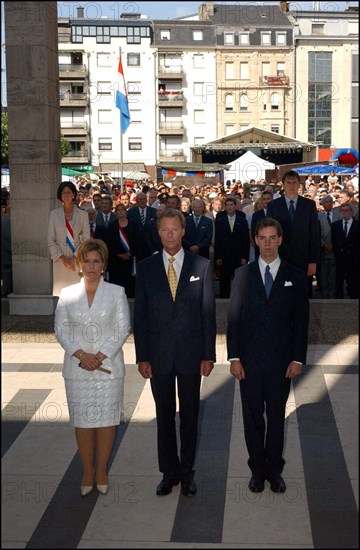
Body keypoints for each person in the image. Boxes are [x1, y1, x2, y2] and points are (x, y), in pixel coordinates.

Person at [134, 208, 216, 497]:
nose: (169, 235)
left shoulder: (201, 266)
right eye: (164, 230)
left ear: (183, 231)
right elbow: (140, 317)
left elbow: (208, 314)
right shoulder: (145, 268)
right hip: (158, 356)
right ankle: (168, 472)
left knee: (190, 415)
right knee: (164, 415)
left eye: (174, 229)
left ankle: (187, 472)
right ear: (158, 233)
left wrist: (209, 354)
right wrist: (142, 356)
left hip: (192, 355)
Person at [227, 218, 309, 494]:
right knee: (252, 419)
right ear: (255, 240)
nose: (268, 244)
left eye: (273, 238)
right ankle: (257, 470)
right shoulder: (242, 276)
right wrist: (234, 357)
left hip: (281, 363)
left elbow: (301, 322)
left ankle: (275, 470)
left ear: (281, 240)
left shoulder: (295, 277)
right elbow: (234, 320)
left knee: (275, 418)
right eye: (262, 238)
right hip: (248, 363)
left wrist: (297, 359)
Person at [54, 239, 131, 496]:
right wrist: (81, 355)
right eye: (86, 260)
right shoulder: (66, 294)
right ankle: (88, 470)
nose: (91, 265)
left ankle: (102, 470)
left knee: (107, 421)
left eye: (96, 261)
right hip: (77, 370)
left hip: (108, 369)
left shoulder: (116, 292)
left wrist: (98, 356)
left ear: (103, 265)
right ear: (79, 264)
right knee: (83, 421)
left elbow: (122, 328)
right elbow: (61, 329)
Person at [267, 170, 320, 297]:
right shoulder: (273, 206)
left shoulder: (309, 205)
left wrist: (313, 261)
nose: (291, 186)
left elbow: (315, 234)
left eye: (294, 182)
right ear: (283, 185)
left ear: (299, 185)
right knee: (281, 294)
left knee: (302, 294)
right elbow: (270, 233)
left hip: (303, 259)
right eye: (288, 183)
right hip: (280, 257)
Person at [47, 181, 90, 297]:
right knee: (62, 298)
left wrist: (74, 258)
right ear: (60, 196)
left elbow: (86, 239)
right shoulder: (54, 214)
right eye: (63, 193)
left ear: (74, 194)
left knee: (78, 296)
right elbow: (50, 240)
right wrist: (64, 259)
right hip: (60, 261)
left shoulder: (83, 214)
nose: (66, 195)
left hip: (78, 261)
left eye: (68, 192)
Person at [214, 196, 249, 298]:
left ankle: (238, 298)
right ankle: (224, 298)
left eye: (231, 205)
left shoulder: (242, 220)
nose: (229, 207)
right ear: (225, 207)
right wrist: (218, 257)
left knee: (238, 279)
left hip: (238, 255)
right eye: (227, 205)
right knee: (224, 279)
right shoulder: (220, 220)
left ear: (235, 206)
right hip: (224, 255)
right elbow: (218, 240)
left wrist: (244, 257)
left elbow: (245, 240)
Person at [107, 202, 136, 298]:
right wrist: (119, 255)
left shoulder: (132, 224)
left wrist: (130, 254)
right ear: (115, 212)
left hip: (130, 260)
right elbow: (110, 243)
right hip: (116, 261)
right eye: (118, 210)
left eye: (123, 210)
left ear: (126, 211)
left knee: (129, 286)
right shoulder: (112, 226)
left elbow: (137, 241)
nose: (121, 212)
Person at [331, 203, 359, 299]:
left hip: (353, 259)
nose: (345, 212)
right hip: (340, 258)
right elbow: (334, 241)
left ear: (351, 212)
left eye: (347, 210)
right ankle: (338, 301)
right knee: (338, 282)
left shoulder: (357, 225)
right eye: (343, 210)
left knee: (353, 282)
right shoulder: (335, 225)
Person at [318, 195, 336, 298]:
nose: (329, 203)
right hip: (323, 250)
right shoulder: (318, 216)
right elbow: (316, 232)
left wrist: (333, 245)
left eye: (330, 201)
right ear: (323, 204)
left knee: (333, 275)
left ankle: (333, 295)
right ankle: (324, 295)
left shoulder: (338, 215)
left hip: (335, 250)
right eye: (327, 202)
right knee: (323, 275)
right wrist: (324, 244)